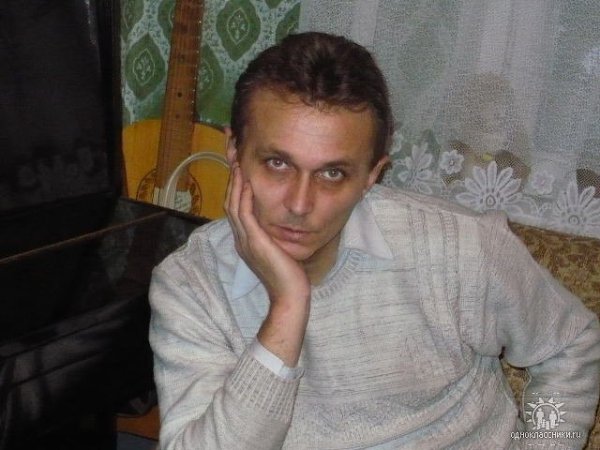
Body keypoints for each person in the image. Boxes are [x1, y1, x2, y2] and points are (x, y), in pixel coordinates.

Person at [149, 32, 600, 449]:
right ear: (233, 151)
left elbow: (570, 346)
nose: (300, 204)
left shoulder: (460, 248)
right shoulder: (191, 285)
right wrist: (287, 307)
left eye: (332, 173)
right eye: (277, 164)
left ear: (372, 175)